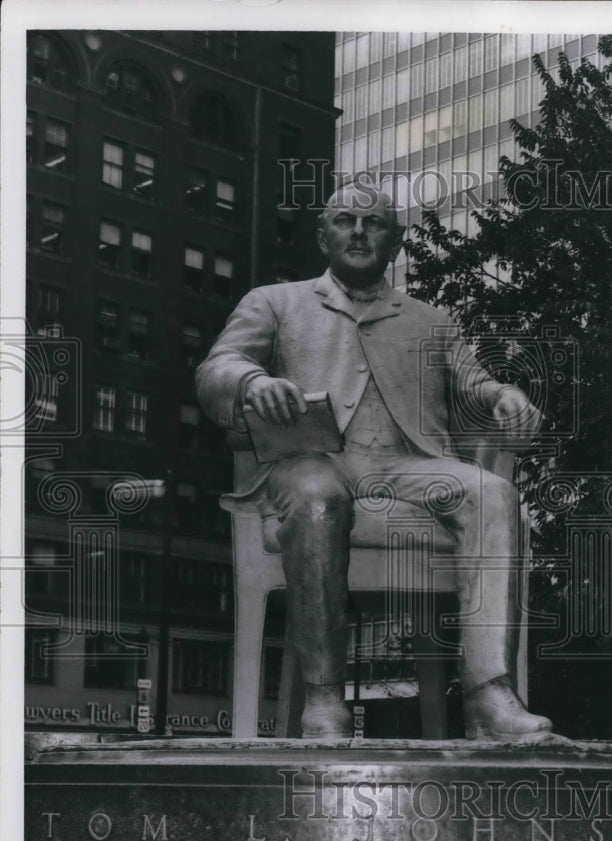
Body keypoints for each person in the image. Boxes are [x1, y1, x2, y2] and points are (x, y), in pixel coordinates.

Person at [196, 182, 553, 740]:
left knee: (494, 494)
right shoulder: (275, 301)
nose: (358, 232)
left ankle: (489, 696)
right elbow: (216, 368)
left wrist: (506, 395)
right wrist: (252, 380)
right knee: (317, 498)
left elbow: (476, 385)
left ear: (396, 241)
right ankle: (322, 699)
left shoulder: (431, 320)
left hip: (405, 468)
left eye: (374, 223)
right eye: (344, 220)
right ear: (323, 235)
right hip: (312, 462)